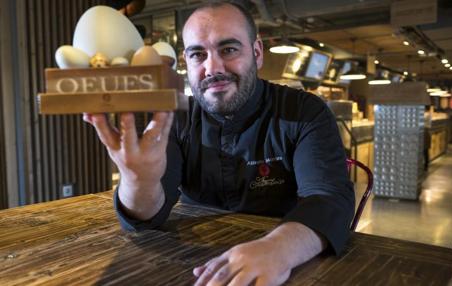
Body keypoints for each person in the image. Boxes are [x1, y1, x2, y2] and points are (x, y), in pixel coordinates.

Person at [84, 1, 354, 285]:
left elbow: (329, 198)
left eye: (228, 49)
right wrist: (138, 182)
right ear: (187, 62)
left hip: (286, 265)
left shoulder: (304, 111)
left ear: (257, 53)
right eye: (198, 54)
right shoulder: (176, 119)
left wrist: (278, 249)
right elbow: (147, 218)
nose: (212, 68)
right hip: (191, 266)